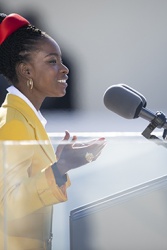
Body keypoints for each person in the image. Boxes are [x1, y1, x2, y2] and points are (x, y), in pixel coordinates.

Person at [0, 13, 106, 249]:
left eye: (61, 60)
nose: (65, 69)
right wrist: (59, 168)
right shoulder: (13, 123)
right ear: (26, 71)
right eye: (52, 61)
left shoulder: (27, 119)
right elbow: (8, 204)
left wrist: (58, 166)